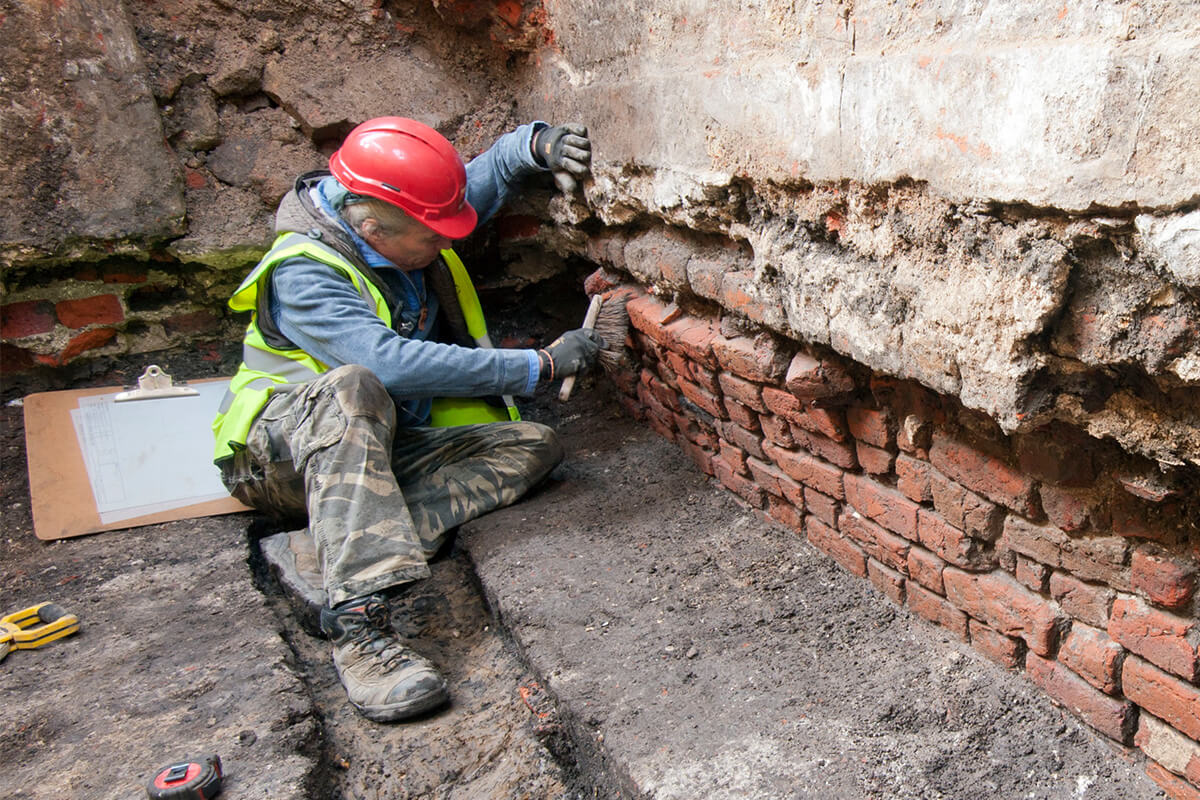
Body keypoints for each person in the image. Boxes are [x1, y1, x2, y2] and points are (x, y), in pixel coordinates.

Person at [211, 116, 601, 723]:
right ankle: (360, 631)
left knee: (530, 446)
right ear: (372, 229)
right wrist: (539, 366)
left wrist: (534, 146)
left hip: (377, 446)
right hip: (278, 458)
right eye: (432, 242)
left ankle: (332, 551)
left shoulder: (402, 213)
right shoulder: (305, 271)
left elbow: (485, 177)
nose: (444, 248)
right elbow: (385, 365)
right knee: (353, 385)